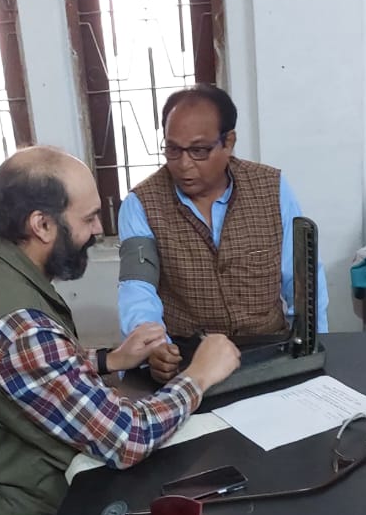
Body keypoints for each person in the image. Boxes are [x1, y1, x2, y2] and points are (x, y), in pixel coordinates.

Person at [0, 146, 241, 515]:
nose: (98, 229)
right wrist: (200, 375)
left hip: (8, 472)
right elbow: (127, 438)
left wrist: (108, 360)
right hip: (33, 512)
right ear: (41, 225)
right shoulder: (22, 328)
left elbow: (29, 373)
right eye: (89, 218)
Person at [117, 84, 328, 383]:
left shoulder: (272, 189)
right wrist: (155, 347)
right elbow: (137, 289)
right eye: (173, 150)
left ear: (228, 142)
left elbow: (301, 279)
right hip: (189, 357)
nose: (184, 164)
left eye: (199, 151)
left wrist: (312, 345)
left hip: (268, 349)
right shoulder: (141, 204)